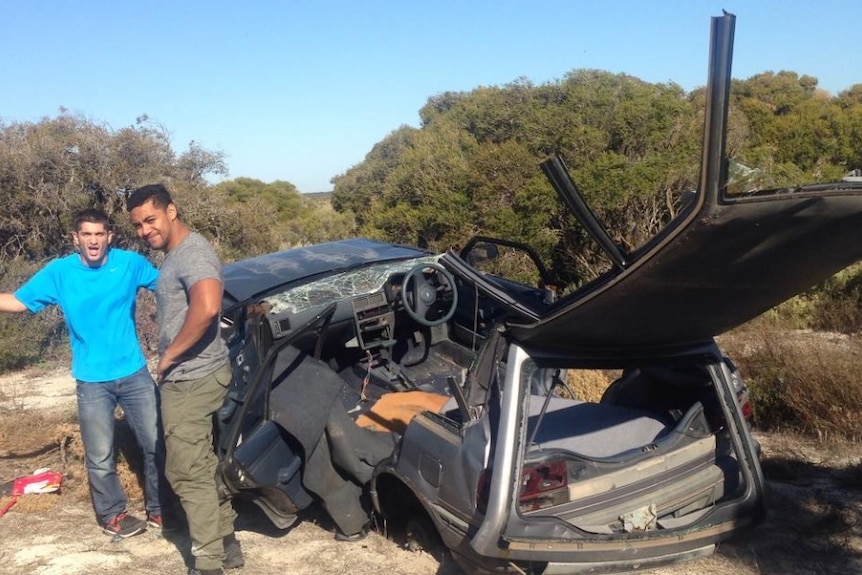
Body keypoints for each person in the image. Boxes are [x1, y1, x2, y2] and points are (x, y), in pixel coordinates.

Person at [0, 208, 166, 538]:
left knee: (156, 442)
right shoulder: (60, 272)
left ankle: (160, 509)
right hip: (91, 379)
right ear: (76, 238)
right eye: (86, 234)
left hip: (134, 372)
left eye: (99, 234)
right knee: (100, 454)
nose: (93, 240)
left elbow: (167, 285)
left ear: (109, 237)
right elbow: (19, 302)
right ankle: (113, 515)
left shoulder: (129, 264)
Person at [127, 184, 243, 575]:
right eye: (138, 224)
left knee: (186, 472)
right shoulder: (177, 255)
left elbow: (208, 306)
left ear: (171, 211)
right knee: (201, 463)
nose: (145, 230)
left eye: (151, 219)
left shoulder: (192, 253)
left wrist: (170, 355)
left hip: (192, 379)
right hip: (195, 376)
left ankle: (208, 564)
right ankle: (226, 544)